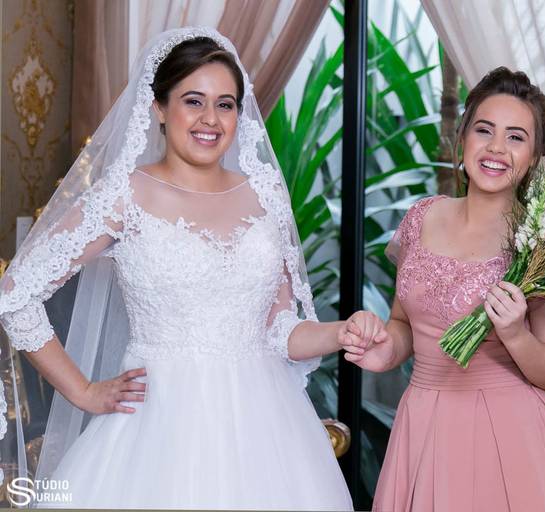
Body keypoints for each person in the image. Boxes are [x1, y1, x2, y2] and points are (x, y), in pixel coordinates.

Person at [0, 27, 372, 510]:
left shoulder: (265, 195)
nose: (210, 119)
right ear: (158, 107)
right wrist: (84, 391)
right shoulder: (125, 195)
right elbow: (16, 292)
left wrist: (341, 332)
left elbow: (282, 330)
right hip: (157, 428)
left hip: (268, 432)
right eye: (193, 100)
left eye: (226, 104)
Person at [341, 67, 545, 511]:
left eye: (516, 137)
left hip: (508, 437)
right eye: (484, 130)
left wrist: (516, 334)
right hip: (424, 424)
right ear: (462, 137)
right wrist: (384, 351)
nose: (496, 148)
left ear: (535, 157)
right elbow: (404, 324)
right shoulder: (421, 216)